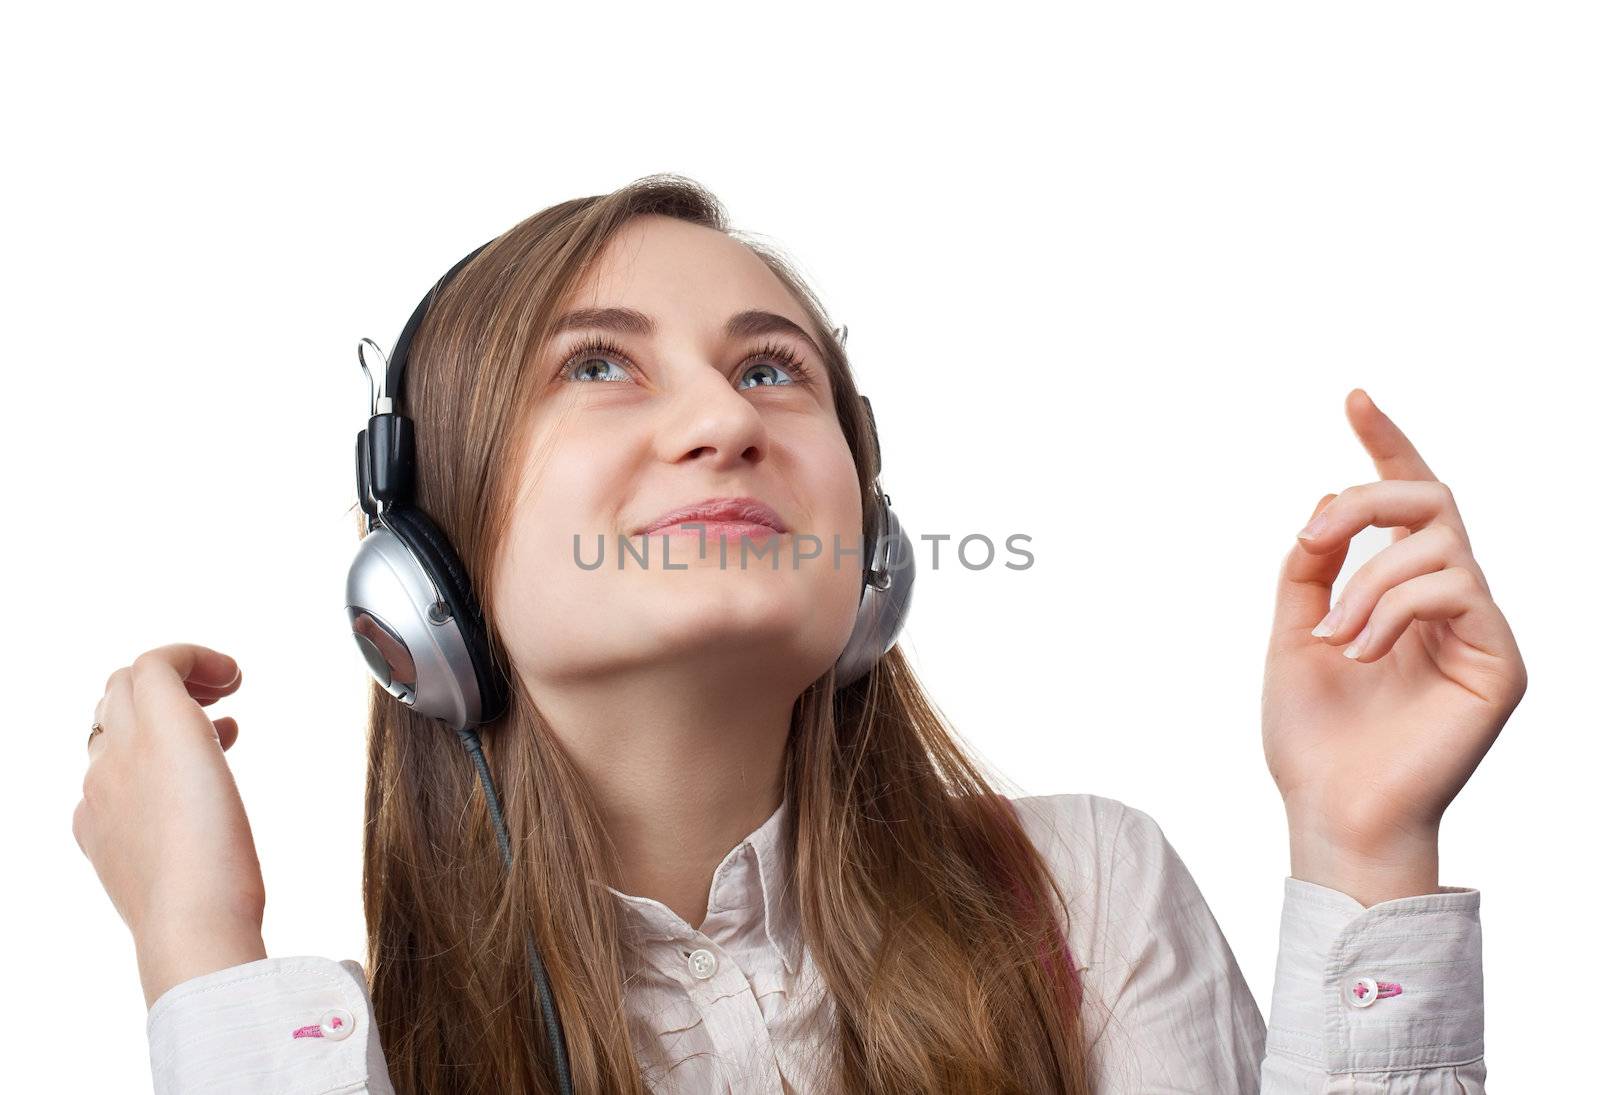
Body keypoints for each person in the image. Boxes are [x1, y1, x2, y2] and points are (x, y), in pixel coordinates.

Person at [73, 174, 1526, 1093]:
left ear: (869, 549)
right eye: (598, 366)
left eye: (774, 371)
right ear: (421, 575)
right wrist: (203, 960)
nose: (723, 422)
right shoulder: (339, 1058)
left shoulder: (1082, 899)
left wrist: (1363, 846)